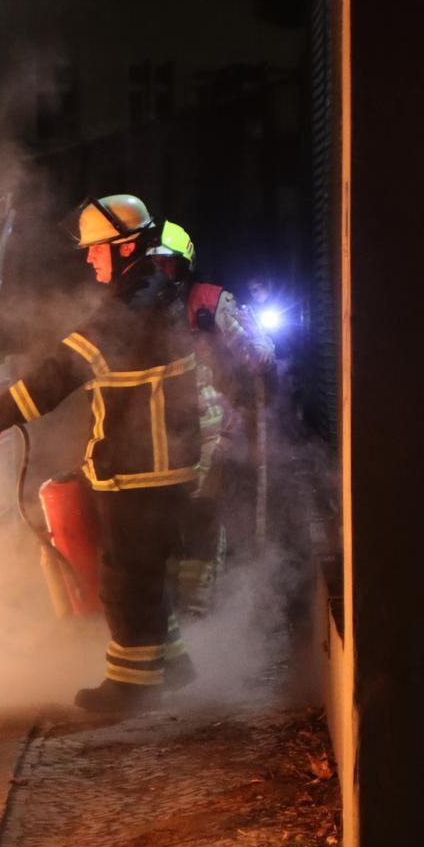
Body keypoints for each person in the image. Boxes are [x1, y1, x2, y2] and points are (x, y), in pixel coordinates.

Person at [0, 194, 200, 714]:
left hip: (144, 465)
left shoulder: (131, 305)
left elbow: (67, 367)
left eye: (96, 249)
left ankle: (132, 687)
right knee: (145, 570)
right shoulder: (151, 290)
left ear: (124, 246)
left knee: (125, 575)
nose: (89, 259)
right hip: (153, 461)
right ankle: (172, 664)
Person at [153, 226, 276, 616]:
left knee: (202, 511)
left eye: (167, 261)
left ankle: (198, 607)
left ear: (183, 263)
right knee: (164, 515)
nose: (160, 269)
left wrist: (250, 346)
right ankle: (171, 604)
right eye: (154, 261)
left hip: (211, 425)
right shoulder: (142, 306)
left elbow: (258, 350)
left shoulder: (210, 300)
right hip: (160, 428)